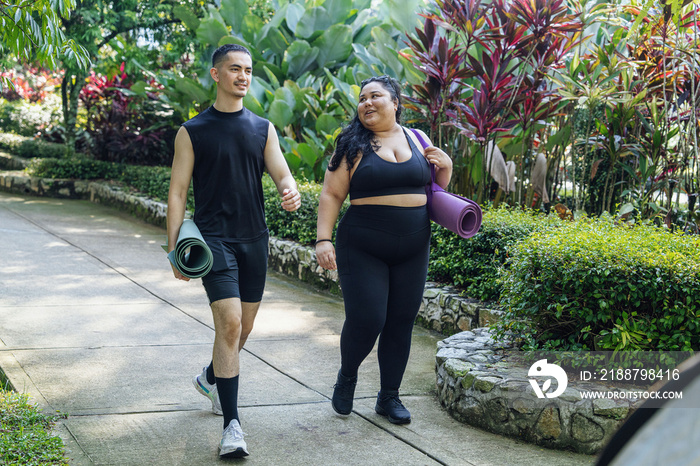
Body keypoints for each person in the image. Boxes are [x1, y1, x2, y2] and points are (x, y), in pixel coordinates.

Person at [167, 43, 301, 458]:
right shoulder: (192, 131)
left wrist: (289, 188)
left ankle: (210, 377)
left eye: (247, 70)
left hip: (254, 239)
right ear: (215, 75)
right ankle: (232, 426)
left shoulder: (262, 128)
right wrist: (175, 250)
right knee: (228, 325)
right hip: (214, 241)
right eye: (234, 69)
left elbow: (280, 170)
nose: (243, 76)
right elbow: (177, 193)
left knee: (242, 329)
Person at [315, 75, 452, 424]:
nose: (367, 103)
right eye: (362, 98)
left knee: (401, 322)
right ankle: (347, 375)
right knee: (369, 318)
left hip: (414, 246)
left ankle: (389, 397)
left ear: (395, 103)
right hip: (363, 246)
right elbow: (332, 194)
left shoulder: (418, 139)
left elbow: (433, 193)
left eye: (376, 96)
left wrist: (446, 168)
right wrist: (323, 239)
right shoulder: (351, 144)